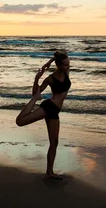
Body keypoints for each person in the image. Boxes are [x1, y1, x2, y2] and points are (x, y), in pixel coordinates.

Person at [15, 50, 71, 180]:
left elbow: (64, 53)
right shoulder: (50, 79)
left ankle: (49, 173)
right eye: (65, 65)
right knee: (20, 121)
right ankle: (32, 104)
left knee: (54, 143)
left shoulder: (66, 72)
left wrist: (52, 59)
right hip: (49, 107)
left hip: (55, 111)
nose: (68, 66)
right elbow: (37, 92)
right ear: (59, 65)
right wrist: (37, 78)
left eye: (68, 64)